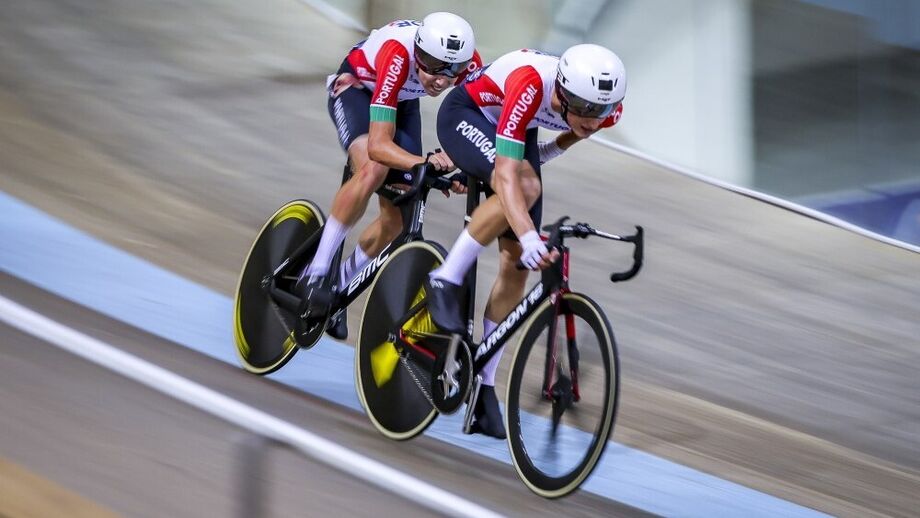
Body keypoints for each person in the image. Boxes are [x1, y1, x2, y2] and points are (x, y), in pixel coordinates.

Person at [428, 44, 627, 438]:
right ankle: (444, 277)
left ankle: (484, 385)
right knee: (522, 187)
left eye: (600, 111)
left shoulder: (605, 107)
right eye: (584, 109)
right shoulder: (530, 83)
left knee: (516, 265)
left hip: (516, 130)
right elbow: (505, 176)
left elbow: (576, 132)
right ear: (564, 94)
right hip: (468, 114)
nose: (593, 119)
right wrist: (528, 232)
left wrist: (550, 150)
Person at [297, 13, 482, 339]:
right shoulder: (398, 54)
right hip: (358, 87)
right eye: (434, 65)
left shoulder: (469, 66)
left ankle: (339, 288)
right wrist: (424, 162)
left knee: (397, 216)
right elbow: (381, 146)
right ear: (419, 52)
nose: (442, 79)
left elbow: (474, 125)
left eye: (452, 70)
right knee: (373, 166)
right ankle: (315, 272)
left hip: (402, 99)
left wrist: (462, 164)